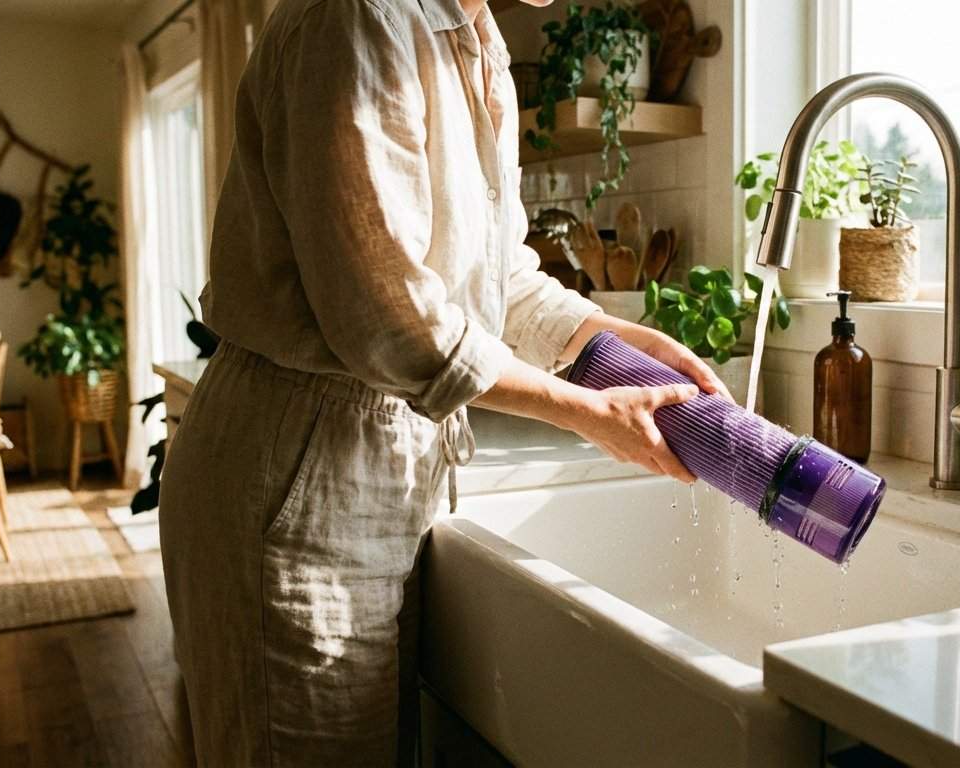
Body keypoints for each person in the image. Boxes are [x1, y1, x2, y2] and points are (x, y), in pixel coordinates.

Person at [157, 0, 729, 764]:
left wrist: (613, 334)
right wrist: (585, 410)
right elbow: (387, 317)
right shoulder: (357, 18)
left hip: (385, 461)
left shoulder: (472, 37)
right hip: (296, 466)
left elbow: (496, 276)